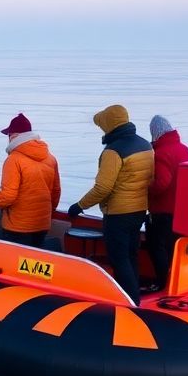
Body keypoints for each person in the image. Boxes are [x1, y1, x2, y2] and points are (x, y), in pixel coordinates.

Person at [67, 105, 154, 305]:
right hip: (139, 209)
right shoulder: (145, 145)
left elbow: (103, 188)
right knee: (132, 254)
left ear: (109, 125)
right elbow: (150, 179)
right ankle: (135, 296)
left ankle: (130, 302)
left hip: (118, 213)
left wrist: (79, 206)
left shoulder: (113, 151)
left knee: (119, 258)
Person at [0, 113, 61, 248]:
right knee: (32, 265)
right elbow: (56, 192)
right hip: (42, 224)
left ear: (14, 136)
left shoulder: (13, 160)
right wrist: (47, 213)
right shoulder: (50, 158)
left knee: (14, 265)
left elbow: (8, 197)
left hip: (17, 227)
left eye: (9, 135)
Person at [145, 115, 188, 290]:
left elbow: (162, 182)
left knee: (157, 246)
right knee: (174, 247)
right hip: (180, 209)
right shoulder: (183, 149)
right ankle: (177, 282)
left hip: (163, 209)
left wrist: (145, 188)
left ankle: (162, 283)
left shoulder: (161, 153)